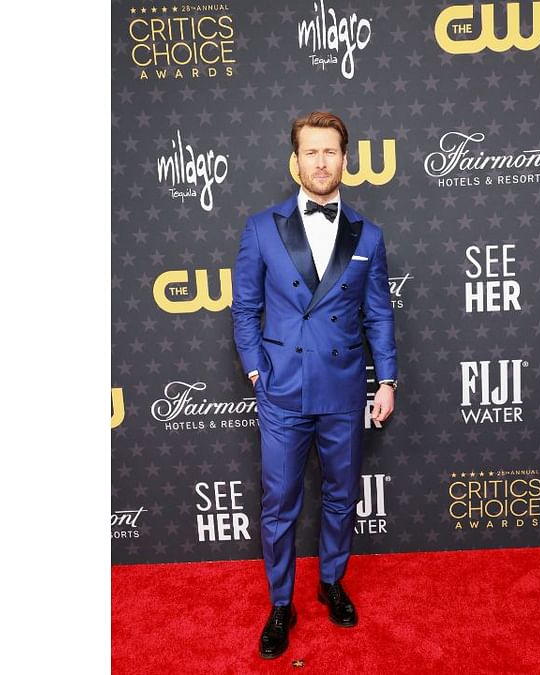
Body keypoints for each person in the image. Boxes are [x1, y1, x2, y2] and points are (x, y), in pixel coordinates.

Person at [231, 111, 399, 659]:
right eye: (311, 152)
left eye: (331, 152)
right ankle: (282, 603)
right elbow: (245, 309)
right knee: (279, 502)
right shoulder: (261, 228)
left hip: (345, 389)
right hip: (282, 390)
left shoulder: (367, 235)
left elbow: (378, 314)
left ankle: (331, 581)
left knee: (341, 495)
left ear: (345, 160)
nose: (321, 162)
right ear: (294, 160)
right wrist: (258, 370)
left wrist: (387, 378)